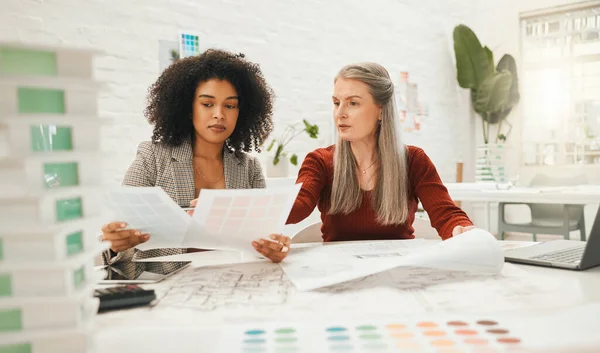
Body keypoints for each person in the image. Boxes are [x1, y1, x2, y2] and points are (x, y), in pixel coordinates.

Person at [268, 62, 476, 262]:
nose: (340, 113)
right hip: (338, 274)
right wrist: (257, 213)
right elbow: (300, 205)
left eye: (353, 103)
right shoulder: (320, 161)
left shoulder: (414, 161)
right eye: (336, 102)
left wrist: (462, 230)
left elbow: (446, 214)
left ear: (381, 110)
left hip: (398, 274)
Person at [101, 49, 289, 268]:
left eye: (230, 105)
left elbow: (261, 242)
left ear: (242, 112)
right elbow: (122, 236)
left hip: (234, 283)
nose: (219, 114)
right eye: (207, 104)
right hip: (168, 289)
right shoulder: (152, 157)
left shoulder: (249, 168)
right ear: (188, 108)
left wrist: (274, 249)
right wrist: (116, 244)